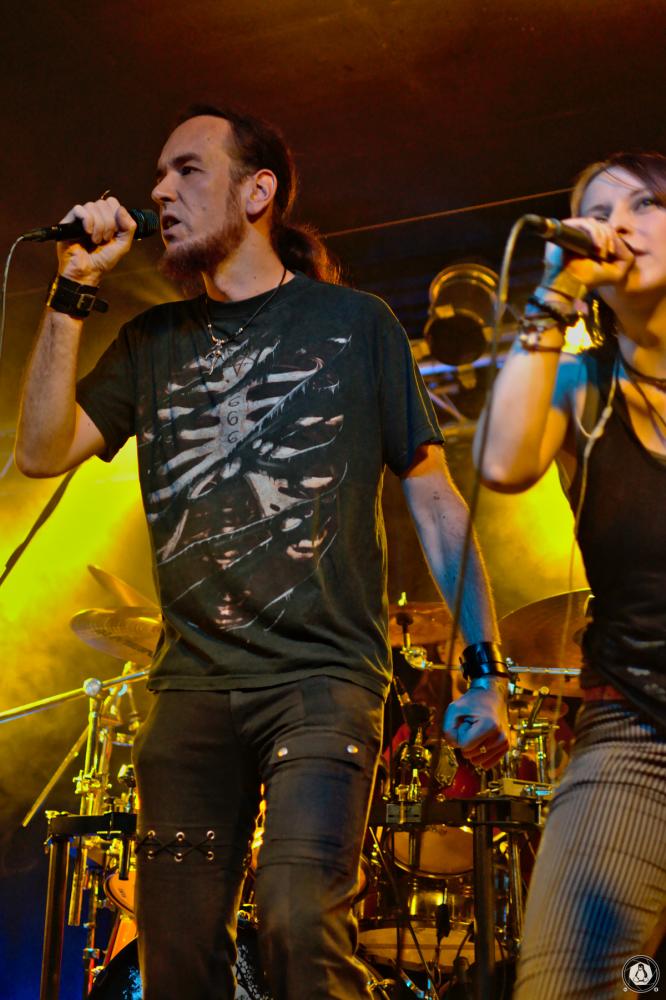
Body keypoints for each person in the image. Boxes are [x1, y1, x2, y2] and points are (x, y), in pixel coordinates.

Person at [15, 105, 508, 1000]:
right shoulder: (150, 345)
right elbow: (43, 451)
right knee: (174, 959)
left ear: (258, 192)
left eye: (187, 170)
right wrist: (73, 289)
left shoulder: (357, 325)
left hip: (321, 680)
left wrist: (484, 668)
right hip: (189, 690)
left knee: (298, 921)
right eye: (158, 174)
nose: (160, 190)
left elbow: (437, 506)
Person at [475, 151, 666, 999]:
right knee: (564, 983)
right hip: (638, 727)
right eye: (598, 210)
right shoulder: (582, 389)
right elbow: (502, 464)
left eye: (644, 204)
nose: (616, 225)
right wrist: (554, 293)